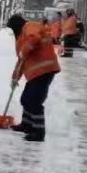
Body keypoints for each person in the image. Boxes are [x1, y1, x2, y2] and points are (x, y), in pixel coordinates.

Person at [6, 14, 60, 142]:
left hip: (45, 70)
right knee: (25, 99)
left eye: (12, 28)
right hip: (35, 73)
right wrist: (15, 78)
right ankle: (27, 125)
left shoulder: (30, 26)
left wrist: (25, 50)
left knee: (35, 101)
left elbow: (34, 38)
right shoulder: (21, 37)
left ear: (17, 25)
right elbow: (21, 60)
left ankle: (39, 132)